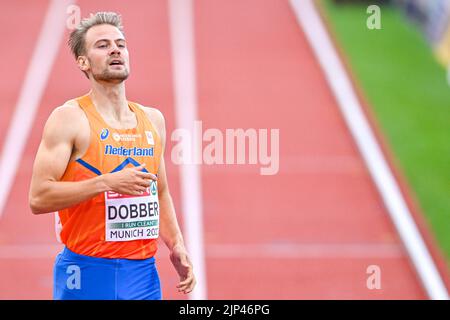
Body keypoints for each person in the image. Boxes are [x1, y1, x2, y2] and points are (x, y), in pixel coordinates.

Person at [28, 11, 196, 300]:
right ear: (83, 62)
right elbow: (38, 198)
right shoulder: (70, 119)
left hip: (143, 275)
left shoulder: (152, 120)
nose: (115, 49)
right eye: (103, 45)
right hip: (86, 272)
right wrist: (107, 183)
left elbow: (160, 191)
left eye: (120, 43)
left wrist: (177, 244)